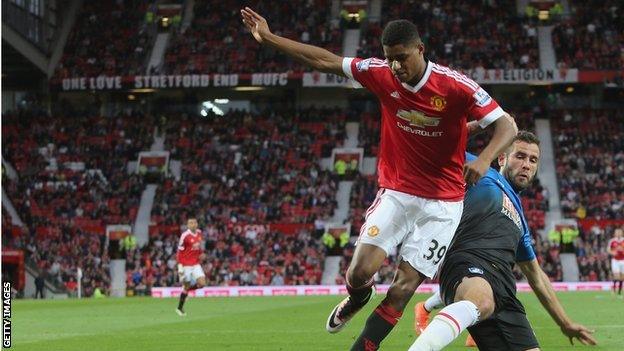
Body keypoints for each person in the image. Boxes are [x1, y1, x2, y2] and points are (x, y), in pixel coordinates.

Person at [241, 9, 517, 350]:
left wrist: (486, 159)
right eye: (390, 59)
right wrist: (269, 38)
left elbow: (507, 125)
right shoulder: (379, 72)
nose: (396, 67)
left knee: (402, 289)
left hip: (444, 204)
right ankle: (358, 297)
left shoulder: (455, 85)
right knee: (358, 272)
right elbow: (325, 60)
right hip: (398, 192)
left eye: (401, 58)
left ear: (420, 48)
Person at [409, 131, 597, 350]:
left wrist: (565, 323)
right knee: (482, 301)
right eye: (520, 156)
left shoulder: (520, 220)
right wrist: (477, 124)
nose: (526, 164)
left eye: (532, 160)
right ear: (502, 158)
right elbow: (439, 142)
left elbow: (536, 276)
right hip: (468, 265)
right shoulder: (482, 172)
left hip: (506, 293)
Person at [175, 218, 206, 316]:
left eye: (194, 222)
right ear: (188, 225)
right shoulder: (185, 236)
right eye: (190, 223)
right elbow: (179, 252)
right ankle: (179, 308)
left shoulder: (199, 233)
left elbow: (198, 247)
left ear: (197, 224)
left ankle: (186, 289)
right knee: (186, 286)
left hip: (196, 263)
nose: (193, 224)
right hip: (186, 264)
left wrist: (201, 253)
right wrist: (180, 266)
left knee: (202, 283)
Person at [608, 227, 624, 297]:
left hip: (623, 260)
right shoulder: (612, 241)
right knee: (616, 275)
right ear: (614, 233)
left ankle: (620, 291)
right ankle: (613, 289)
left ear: (622, 233)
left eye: (619, 232)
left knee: (622, 277)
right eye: (617, 232)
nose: (618, 233)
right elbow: (608, 249)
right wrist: (612, 253)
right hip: (615, 260)